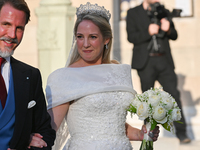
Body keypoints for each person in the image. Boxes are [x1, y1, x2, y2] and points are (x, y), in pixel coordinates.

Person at [46, 2, 160, 150]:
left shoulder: (119, 72)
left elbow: (113, 124)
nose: (85, 44)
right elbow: (49, 130)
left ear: (106, 39)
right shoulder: (64, 77)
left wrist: (140, 134)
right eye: (80, 37)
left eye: (92, 37)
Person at [126, 0, 191, 143]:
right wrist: (148, 32)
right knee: (148, 102)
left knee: (174, 96)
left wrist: (168, 29)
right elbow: (131, 37)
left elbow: (174, 35)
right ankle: (147, 135)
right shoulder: (133, 13)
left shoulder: (163, 11)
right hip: (146, 62)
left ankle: (182, 134)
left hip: (164, 61)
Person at [0, 0, 56, 149]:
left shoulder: (31, 75)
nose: (12, 35)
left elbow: (46, 133)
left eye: (19, 28)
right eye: (6, 24)